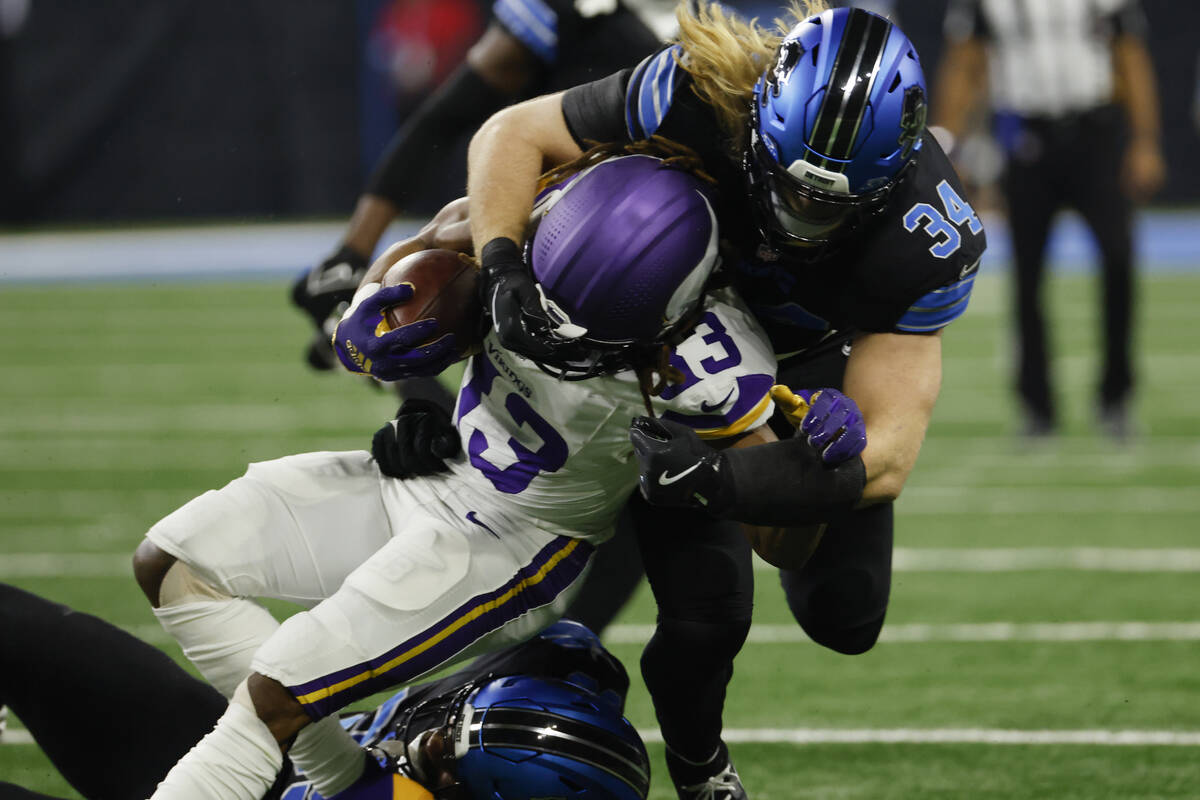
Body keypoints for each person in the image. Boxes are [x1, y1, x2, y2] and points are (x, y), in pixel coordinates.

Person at [341, 3, 984, 797]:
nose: (798, 216)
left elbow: (884, 459)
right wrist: (496, 280)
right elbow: (508, 141)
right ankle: (696, 763)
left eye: (829, 205)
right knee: (703, 608)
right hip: (648, 326)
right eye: (789, 184)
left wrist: (733, 479)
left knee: (845, 614)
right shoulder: (700, 92)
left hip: (802, 358)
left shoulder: (925, 234)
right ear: (763, 118)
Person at [132, 150, 781, 800]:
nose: (558, 328)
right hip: (438, 475)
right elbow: (424, 245)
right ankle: (356, 786)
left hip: (511, 543)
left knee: (279, 690)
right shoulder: (533, 215)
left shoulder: (712, 360)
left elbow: (783, 532)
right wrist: (373, 315)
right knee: (173, 562)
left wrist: (743, 476)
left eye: (590, 320)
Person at [290, 0, 666, 379]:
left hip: (660, 238)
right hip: (557, 224)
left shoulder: (710, 39)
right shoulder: (570, 13)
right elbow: (449, 122)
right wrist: (356, 259)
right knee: (436, 297)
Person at [0, 581, 649, 800]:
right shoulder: (550, 680)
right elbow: (568, 643)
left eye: (448, 768)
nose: (431, 743)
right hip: (274, 760)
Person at [932, 0, 1165, 439]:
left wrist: (1145, 140)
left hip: (1095, 133)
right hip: (1027, 137)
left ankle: (1116, 397)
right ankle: (1036, 407)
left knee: (1119, 259)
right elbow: (965, 61)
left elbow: (1130, 55)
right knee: (1028, 276)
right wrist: (950, 144)